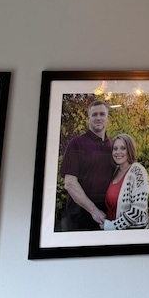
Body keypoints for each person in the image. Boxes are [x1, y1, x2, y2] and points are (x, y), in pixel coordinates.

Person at [60, 99, 113, 231]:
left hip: (107, 215)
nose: (98, 118)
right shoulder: (76, 144)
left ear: (107, 118)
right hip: (79, 216)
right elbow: (70, 183)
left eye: (102, 114)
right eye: (94, 115)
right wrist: (94, 211)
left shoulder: (113, 146)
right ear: (88, 118)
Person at [102, 133, 149, 230]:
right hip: (112, 236)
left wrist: (111, 226)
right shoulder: (114, 172)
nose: (118, 152)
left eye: (123, 148)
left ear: (130, 150)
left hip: (133, 236)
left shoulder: (138, 171)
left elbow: (137, 211)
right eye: (115, 149)